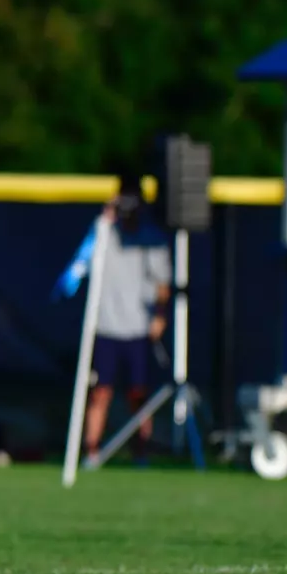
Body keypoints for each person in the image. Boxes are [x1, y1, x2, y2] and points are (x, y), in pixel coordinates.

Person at [83, 174, 172, 467]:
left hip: (137, 328)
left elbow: (162, 284)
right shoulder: (104, 232)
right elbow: (83, 260)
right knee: (100, 392)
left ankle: (140, 452)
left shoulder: (151, 237)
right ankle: (91, 451)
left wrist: (160, 316)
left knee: (138, 393)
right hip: (106, 327)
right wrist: (106, 215)